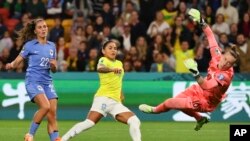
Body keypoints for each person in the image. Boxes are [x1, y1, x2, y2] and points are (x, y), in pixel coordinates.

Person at [139, 8, 240, 131]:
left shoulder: (225, 76)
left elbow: (206, 86)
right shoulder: (217, 56)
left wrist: (195, 73)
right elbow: (210, 36)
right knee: (179, 102)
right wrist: (202, 21)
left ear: (232, 66)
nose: (225, 64)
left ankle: (154, 110)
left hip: (207, 101)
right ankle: (200, 119)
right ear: (222, 55)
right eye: (225, 60)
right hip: (198, 90)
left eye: (229, 64)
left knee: (172, 102)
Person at [61, 40, 141, 141]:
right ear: (103, 51)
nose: (113, 50)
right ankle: (63, 139)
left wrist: (121, 93)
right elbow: (100, 68)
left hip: (116, 102)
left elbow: (118, 80)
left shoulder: (119, 63)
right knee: (89, 123)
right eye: (110, 48)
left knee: (134, 121)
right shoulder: (103, 60)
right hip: (103, 98)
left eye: (115, 48)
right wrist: (112, 69)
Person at [5, 18, 61, 141]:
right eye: (40, 27)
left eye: (45, 27)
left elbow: (54, 69)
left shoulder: (52, 46)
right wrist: (11, 64)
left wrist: (54, 66)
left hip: (47, 82)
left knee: (52, 114)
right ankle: (30, 134)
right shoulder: (30, 45)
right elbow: (18, 60)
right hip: (33, 81)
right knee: (45, 107)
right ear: (35, 31)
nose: (43, 29)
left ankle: (55, 139)